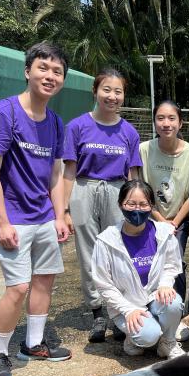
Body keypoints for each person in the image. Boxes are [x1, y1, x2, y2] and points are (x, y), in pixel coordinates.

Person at [0, 42, 71, 376]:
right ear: (27, 71)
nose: (50, 76)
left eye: (57, 71)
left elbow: (54, 173)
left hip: (44, 216)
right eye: (43, 68)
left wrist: (60, 215)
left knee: (44, 279)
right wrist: (2, 222)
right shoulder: (3, 114)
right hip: (14, 217)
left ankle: (33, 344)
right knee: (17, 287)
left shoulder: (55, 121)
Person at [63, 68, 142, 343]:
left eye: (118, 91)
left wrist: (135, 206)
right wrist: (63, 210)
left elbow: (133, 174)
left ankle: (119, 314)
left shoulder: (129, 132)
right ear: (95, 91)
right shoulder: (76, 127)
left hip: (117, 191)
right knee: (88, 254)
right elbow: (69, 171)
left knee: (118, 252)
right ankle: (97, 313)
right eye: (106, 89)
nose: (112, 96)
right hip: (84, 189)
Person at [91, 180, 185, 358]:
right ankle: (133, 337)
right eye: (131, 204)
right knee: (148, 336)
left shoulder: (164, 233)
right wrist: (128, 310)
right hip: (126, 305)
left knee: (173, 302)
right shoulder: (106, 240)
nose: (137, 209)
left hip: (154, 297)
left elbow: (171, 265)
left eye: (143, 204)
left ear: (151, 206)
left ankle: (168, 342)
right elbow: (103, 284)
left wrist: (165, 283)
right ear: (120, 205)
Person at [140, 100, 189, 312]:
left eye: (171, 118)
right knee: (148, 263)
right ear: (154, 122)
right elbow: (139, 188)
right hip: (148, 218)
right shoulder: (144, 150)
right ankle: (148, 307)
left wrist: (173, 222)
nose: (166, 123)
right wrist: (159, 218)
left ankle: (177, 310)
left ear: (181, 123)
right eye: (160, 118)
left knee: (174, 263)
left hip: (179, 221)